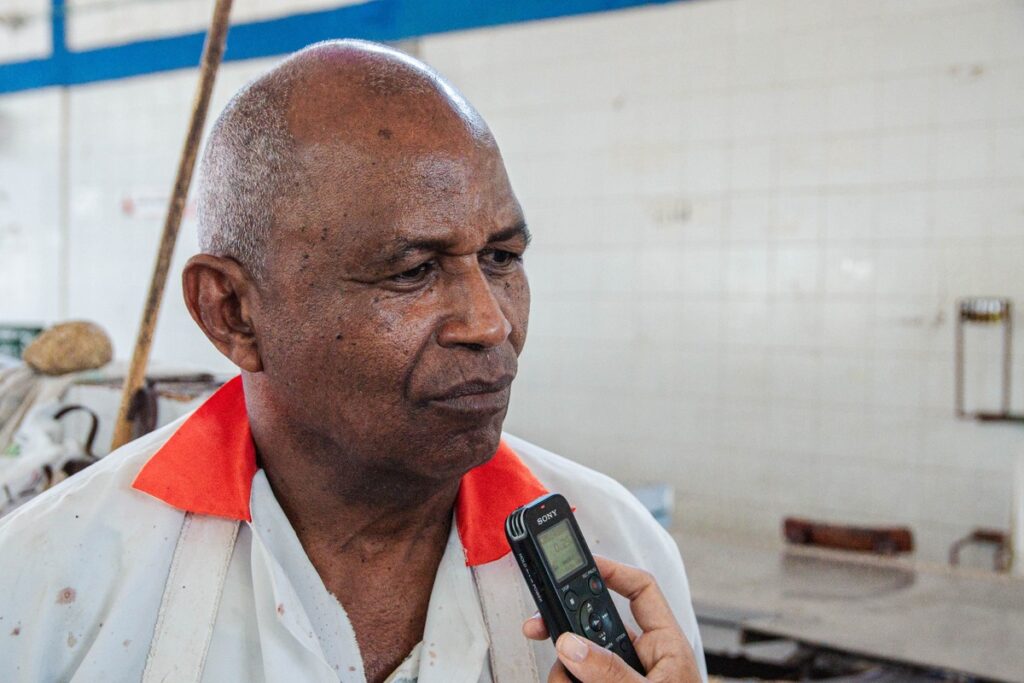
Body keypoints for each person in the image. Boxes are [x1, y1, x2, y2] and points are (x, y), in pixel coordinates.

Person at [0, 40, 705, 683]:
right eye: (413, 270)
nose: (491, 323)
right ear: (231, 311)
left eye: (500, 257)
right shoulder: (49, 581)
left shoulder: (620, 553)